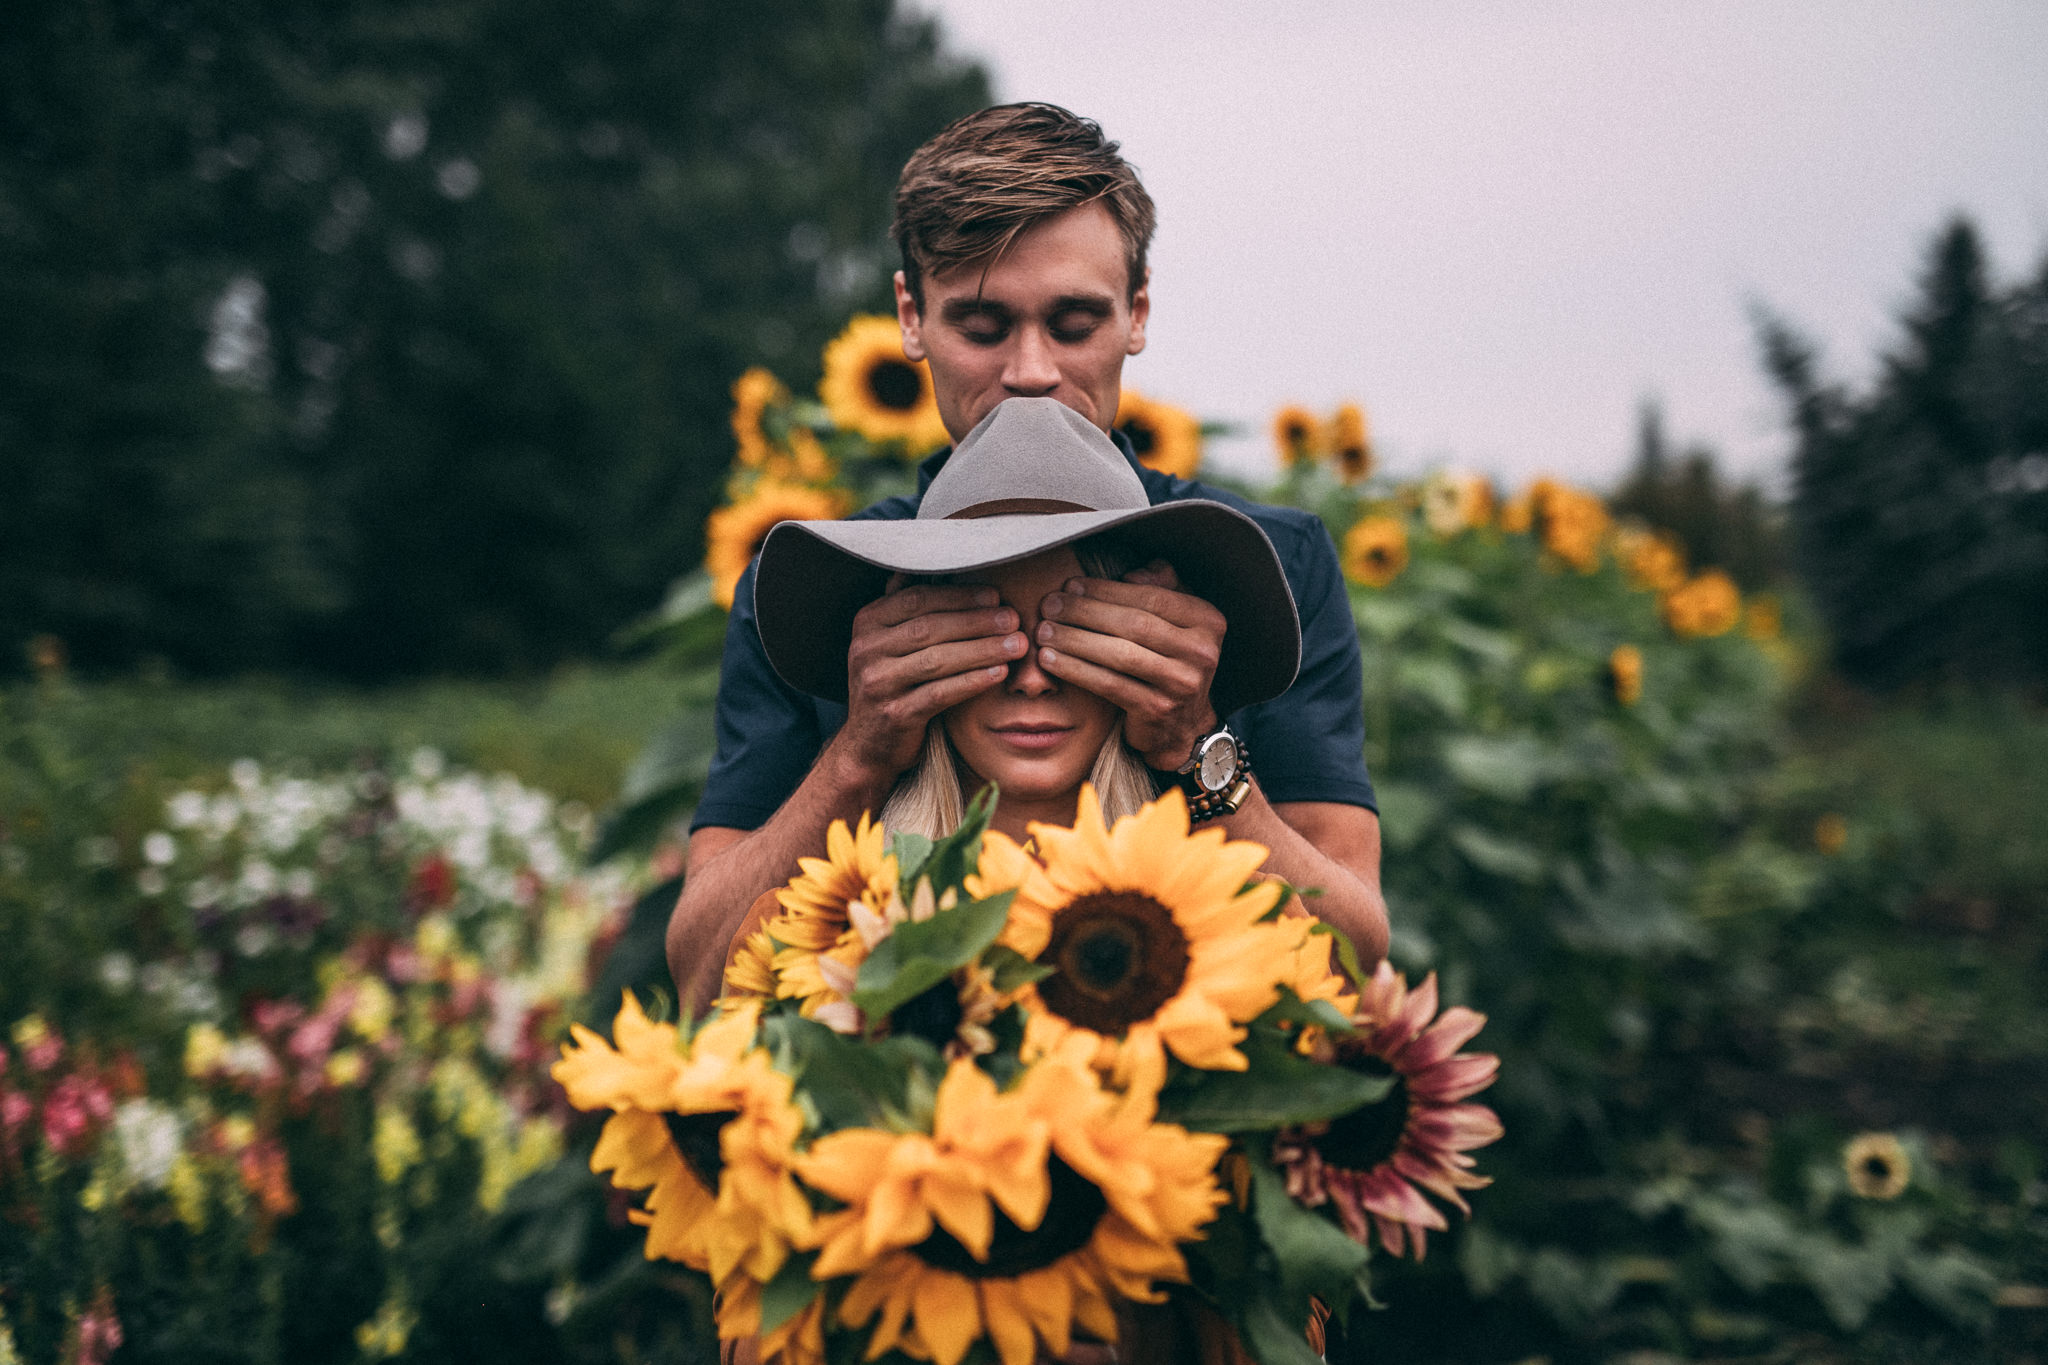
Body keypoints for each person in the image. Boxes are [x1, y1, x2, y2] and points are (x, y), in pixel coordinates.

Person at [668, 102, 1388, 1011]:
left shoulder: (1270, 563)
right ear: (911, 318)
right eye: (983, 325)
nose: (1032, 371)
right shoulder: (812, 580)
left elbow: (1357, 970)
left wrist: (1195, 745)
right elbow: (699, 977)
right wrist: (860, 754)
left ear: (1137, 314)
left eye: (1075, 321)